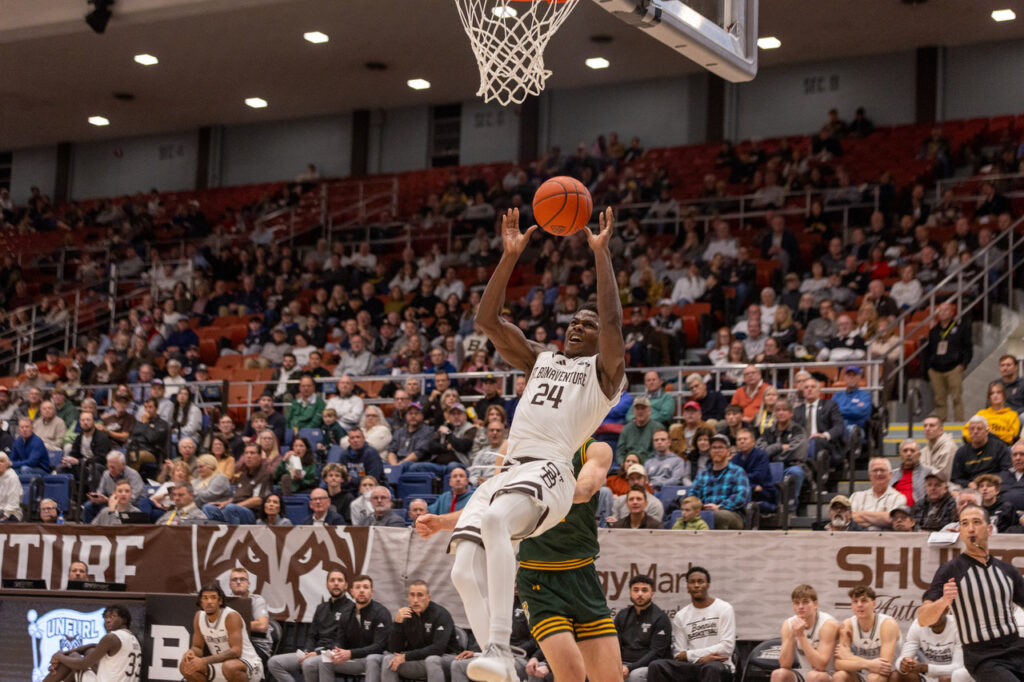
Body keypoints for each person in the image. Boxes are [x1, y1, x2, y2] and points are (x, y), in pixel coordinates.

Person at [426, 206, 626, 680]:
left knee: (497, 521)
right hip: (513, 469)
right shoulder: (541, 359)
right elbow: (488, 320)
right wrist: (510, 255)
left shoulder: (604, 374)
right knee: (461, 569)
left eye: (587, 324)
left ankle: (499, 645)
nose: (577, 326)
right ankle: (501, 665)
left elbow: (613, 322)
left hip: (552, 469)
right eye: (573, 321)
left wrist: (601, 254)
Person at [420, 438, 622, 682]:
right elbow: (493, 502)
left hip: (582, 575)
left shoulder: (594, 449)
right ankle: (497, 654)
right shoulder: (514, 447)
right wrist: (442, 522)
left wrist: (541, 485)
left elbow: (584, 490)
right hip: (538, 581)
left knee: (610, 678)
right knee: (571, 675)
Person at [918, 504, 1024, 680]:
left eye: (976, 522)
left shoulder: (1007, 570)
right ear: (960, 532)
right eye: (965, 523)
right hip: (982, 656)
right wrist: (944, 601)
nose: (971, 528)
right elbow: (923, 619)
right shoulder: (950, 571)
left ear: (989, 530)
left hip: (1016, 646)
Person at [646, 566, 736, 682]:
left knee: (711, 667)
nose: (696, 585)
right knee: (657, 666)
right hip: (692, 665)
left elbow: (727, 648)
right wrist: (700, 659)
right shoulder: (681, 616)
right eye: (692, 582)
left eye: (700, 581)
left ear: (708, 585)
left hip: (719, 665)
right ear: (688, 587)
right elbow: (679, 654)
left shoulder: (724, 608)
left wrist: (689, 655)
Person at [267, 570, 350, 681]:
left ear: (346, 585)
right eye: (332, 580)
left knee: (308, 663)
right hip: (314, 651)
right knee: (274, 662)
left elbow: (342, 641)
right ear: (327, 585)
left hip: (332, 653)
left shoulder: (351, 609)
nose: (336, 583)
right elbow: (311, 635)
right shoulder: (321, 608)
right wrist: (308, 651)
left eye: (340, 580)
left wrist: (316, 653)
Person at [369, 580, 459, 682]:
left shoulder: (441, 614)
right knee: (388, 659)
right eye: (412, 595)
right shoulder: (406, 615)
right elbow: (394, 649)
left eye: (420, 595)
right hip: (419, 658)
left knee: (432, 660)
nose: (415, 600)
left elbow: (438, 649)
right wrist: (397, 624)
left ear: (428, 597)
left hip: (447, 658)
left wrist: (406, 656)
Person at [180, 583, 264, 682]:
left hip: (248, 664)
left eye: (213, 598)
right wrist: (191, 652)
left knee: (230, 667)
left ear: (220, 601)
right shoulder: (199, 616)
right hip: (220, 664)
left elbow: (236, 651)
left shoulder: (231, 616)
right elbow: (197, 647)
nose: (209, 602)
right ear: (201, 601)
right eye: (205, 598)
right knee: (185, 666)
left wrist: (203, 661)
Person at [317, 574, 393, 681]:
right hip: (355, 658)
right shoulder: (345, 613)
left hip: (377, 658)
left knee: (372, 659)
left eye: (365, 587)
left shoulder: (381, 613)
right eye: (358, 587)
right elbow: (340, 641)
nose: (361, 591)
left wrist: (351, 653)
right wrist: (337, 651)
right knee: (325, 659)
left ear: (371, 591)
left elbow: (379, 646)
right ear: (351, 592)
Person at [42, 604, 142, 682]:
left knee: (73, 657)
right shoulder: (132, 638)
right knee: (89, 652)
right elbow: (95, 646)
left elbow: (83, 664)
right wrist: (68, 652)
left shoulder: (112, 637)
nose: (108, 620)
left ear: (124, 619)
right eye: (106, 617)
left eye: (112, 616)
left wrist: (60, 656)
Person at [833, 585, 902, 682]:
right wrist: (867, 664)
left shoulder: (887, 624)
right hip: (863, 671)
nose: (859, 605)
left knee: (873, 678)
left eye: (864, 601)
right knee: (839, 676)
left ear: (874, 604)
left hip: (890, 674)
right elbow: (838, 664)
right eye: (855, 601)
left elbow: (885, 666)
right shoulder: (848, 625)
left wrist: (848, 657)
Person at [771, 584, 838, 682]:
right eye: (796, 603)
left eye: (805, 602)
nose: (800, 607)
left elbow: (820, 666)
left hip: (829, 674)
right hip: (805, 672)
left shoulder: (828, 624)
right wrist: (792, 635)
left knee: (814, 676)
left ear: (815, 604)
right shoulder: (788, 624)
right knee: (778, 674)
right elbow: (784, 664)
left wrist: (801, 636)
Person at [614, 575, 672, 682]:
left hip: (648, 665)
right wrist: (616, 665)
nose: (640, 594)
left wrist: (630, 668)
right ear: (630, 592)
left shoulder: (660, 618)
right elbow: (614, 646)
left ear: (652, 593)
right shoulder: (622, 615)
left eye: (644, 590)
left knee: (635, 676)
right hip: (622, 664)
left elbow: (656, 653)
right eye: (636, 590)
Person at [756, 399, 807, 512]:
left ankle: (790, 509)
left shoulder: (798, 430)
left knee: (796, 472)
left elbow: (796, 452)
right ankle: (765, 508)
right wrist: (779, 447)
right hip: (769, 467)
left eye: (784, 410)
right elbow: (760, 452)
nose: (781, 412)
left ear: (791, 413)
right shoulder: (767, 431)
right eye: (778, 410)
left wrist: (772, 454)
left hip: (790, 465)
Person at [897, 606, 970, 682]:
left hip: (955, 677)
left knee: (946, 679)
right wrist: (904, 665)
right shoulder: (918, 624)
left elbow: (958, 667)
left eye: (934, 610)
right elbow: (901, 659)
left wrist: (924, 668)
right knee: (897, 675)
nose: (930, 614)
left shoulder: (958, 626)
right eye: (927, 609)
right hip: (926, 676)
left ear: (945, 610)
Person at [925, 302, 972, 422]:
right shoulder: (934, 331)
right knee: (939, 400)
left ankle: (959, 423)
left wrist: (963, 364)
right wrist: (929, 366)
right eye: (940, 310)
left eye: (946, 310)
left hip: (954, 368)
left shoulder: (961, 329)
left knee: (956, 398)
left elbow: (968, 348)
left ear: (952, 313)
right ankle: (940, 425)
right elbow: (929, 350)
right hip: (935, 370)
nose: (943, 312)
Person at [227, 568, 272, 665]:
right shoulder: (224, 601)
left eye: (242, 579)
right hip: (231, 644)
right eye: (234, 579)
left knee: (232, 664)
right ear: (230, 584)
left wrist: (233, 625)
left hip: (256, 645)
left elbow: (262, 626)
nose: (238, 582)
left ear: (248, 584)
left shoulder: (257, 600)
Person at [952, 416, 1011, 489]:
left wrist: (991, 482)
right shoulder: (961, 452)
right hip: (972, 488)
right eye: (972, 429)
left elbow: (1007, 470)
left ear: (987, 431)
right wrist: (968, 484)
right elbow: (956, 478)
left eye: (979, 429)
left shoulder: (999, 447)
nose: (975, 432)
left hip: (995, 486)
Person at [850, 458, 907, 531]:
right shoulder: (856, 497)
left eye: (882, 470)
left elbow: (891, 519)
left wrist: (862, 513)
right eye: (875, 470)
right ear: (870, 476)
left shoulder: (899, 498)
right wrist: (880, 519)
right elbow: (849, 519)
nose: (878, 473)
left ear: (890, 475)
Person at [617, 396, 664, 462]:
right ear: (633, 411)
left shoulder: (658, 428)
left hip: (650, 464)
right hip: (629, 464)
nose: (640, 411)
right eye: (637, 408)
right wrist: (623, 463)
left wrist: (642, 463)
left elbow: (658, 451)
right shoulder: (626, 429)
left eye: (643, 408)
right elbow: (620, 452)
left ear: (649, 410)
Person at [891, 439, 934, 509]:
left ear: (919, 455)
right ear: (900, 455)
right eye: (905, 451)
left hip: (919, 512)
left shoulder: (929, 472)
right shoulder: (891, 475)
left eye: (912, 451)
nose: (908, 454)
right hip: (894, 511)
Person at [921, 416, 957, 483]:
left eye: (932, 425)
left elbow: (942, 476)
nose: (927, 429)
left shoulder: (949, 446)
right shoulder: (924, 450)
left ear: (941, 430)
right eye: (925, 426)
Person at [0, 452, 24, 522]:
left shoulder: (12, 477)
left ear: (7, 464)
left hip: (11, 514)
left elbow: (13, 504)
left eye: (2, 461)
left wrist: (4, 516)